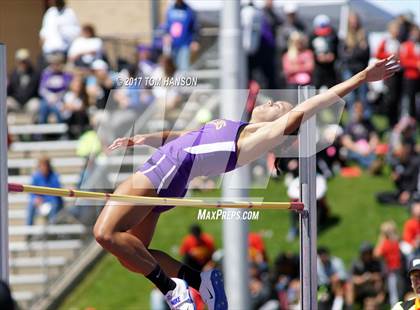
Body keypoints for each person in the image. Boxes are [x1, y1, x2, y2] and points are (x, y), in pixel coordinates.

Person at [94, 56, 399, 309]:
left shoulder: (261, 136)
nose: (275, 101)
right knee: (133, 254)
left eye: (280, 106)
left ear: (281, 126)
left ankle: (174, 290)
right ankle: (201, 282)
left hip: (166, 168)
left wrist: (361, 76)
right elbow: (190, 139)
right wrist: (146, 139)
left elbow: (309, 106)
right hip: (173, 171)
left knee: (105, 233)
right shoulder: (239, 127)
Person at [163, 0, 199, 72]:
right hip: (172, 45)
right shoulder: (170, 9)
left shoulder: (189, 10)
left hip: (184, 44)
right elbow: (167, 26)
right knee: (172, 69)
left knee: (183, 68)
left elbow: (195, 27)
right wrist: (166, 35)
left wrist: (195, 41)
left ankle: (183, 83)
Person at [27, 156, 63, 226]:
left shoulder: (54, 176)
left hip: (52, 202)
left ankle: (52, 229)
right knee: (31, 206)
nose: (43, 168)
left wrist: (44, 200)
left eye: (45, 166)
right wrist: (36, 199)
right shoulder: (36, 177)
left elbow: (56, 193)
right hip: (40, 204)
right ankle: (29, 232)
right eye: (42, 166)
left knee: (54, 204)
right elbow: (32, 193)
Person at [6, 49, 40, 118]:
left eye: (24, 61)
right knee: (6, 102)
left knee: (36, 104)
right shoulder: (13, 74)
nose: (22, 63)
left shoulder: (35, 73)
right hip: (17, 102)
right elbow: (9, 90)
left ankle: (30, 124)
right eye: (20, 61)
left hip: (29, 102)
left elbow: (37, 91)